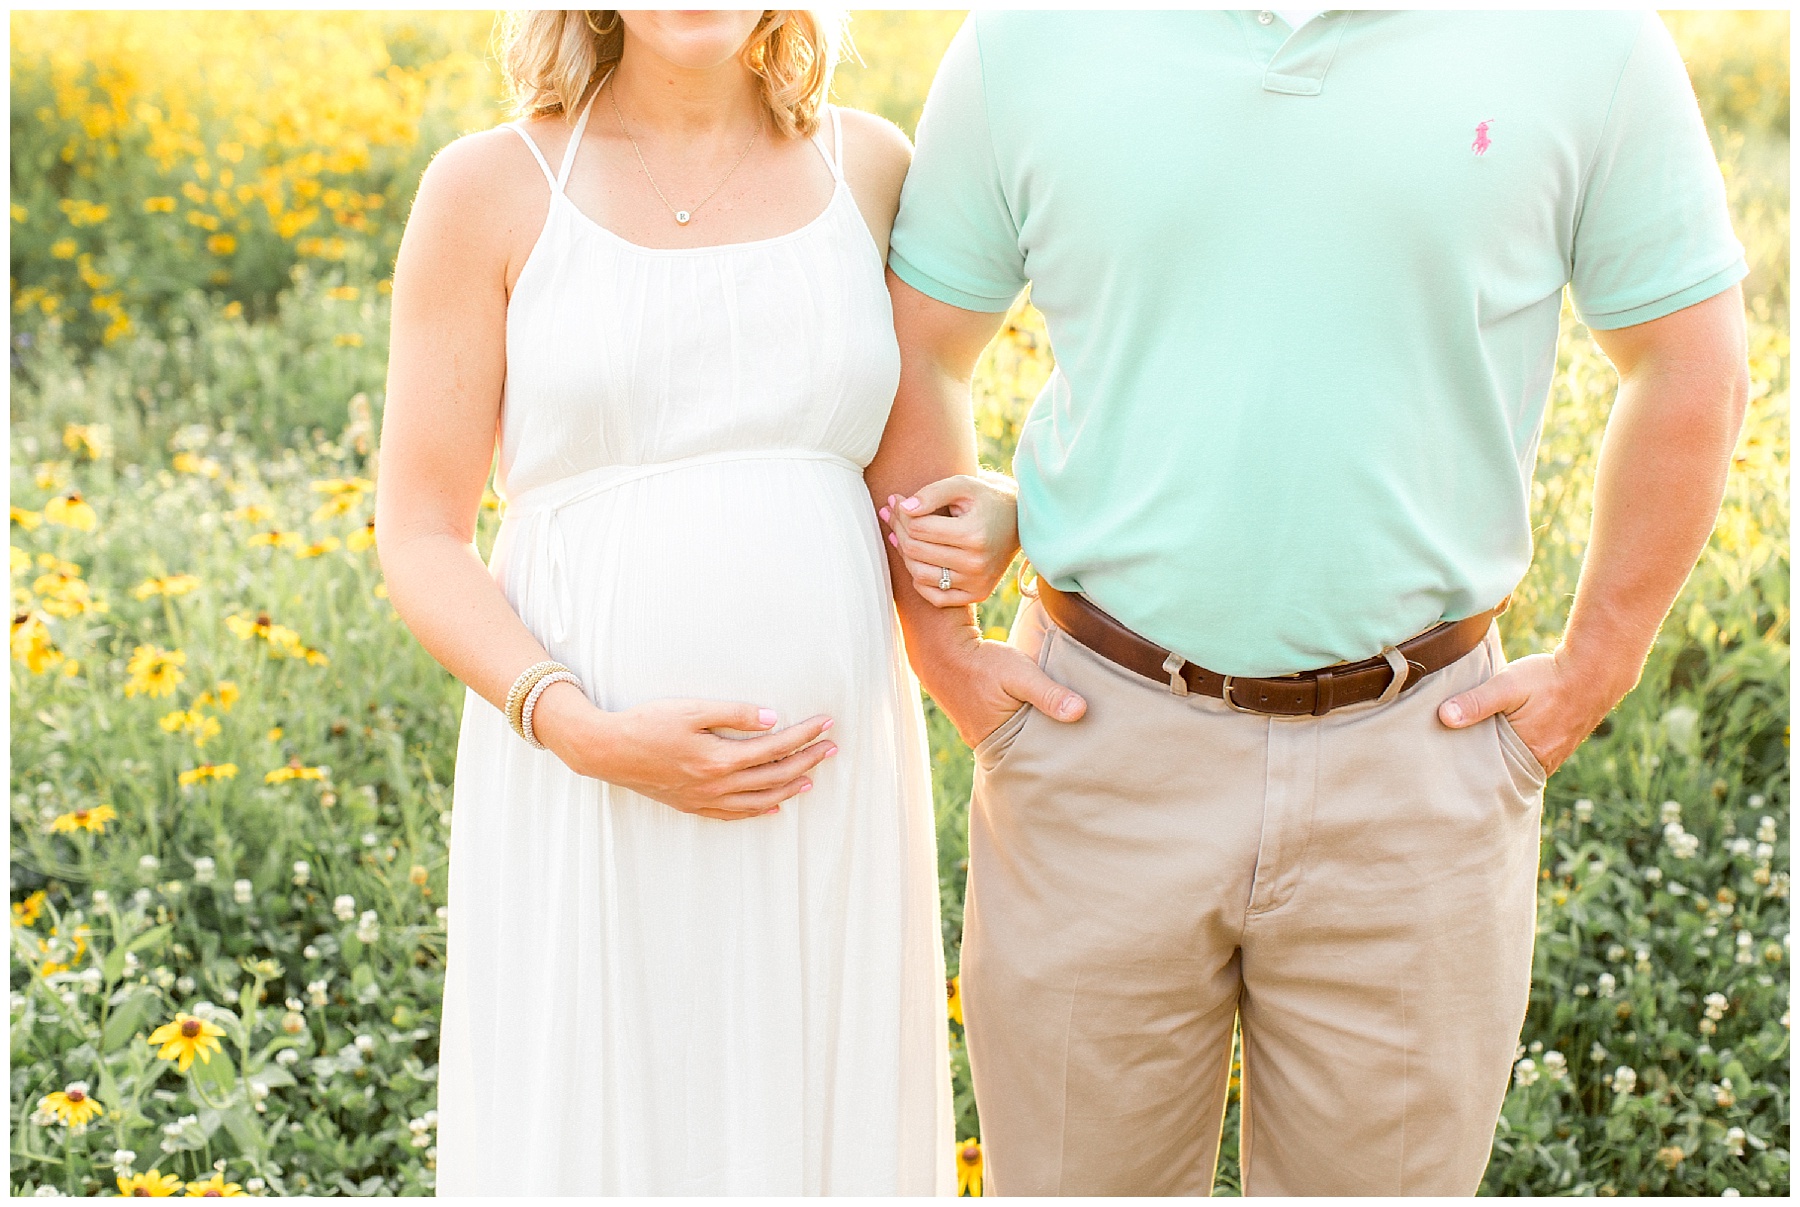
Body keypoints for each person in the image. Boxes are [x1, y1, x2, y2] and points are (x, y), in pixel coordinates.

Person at [867, 9, 1750, 1195]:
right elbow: (919, 348)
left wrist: (1601, 661)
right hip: (1094, 753)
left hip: (1418, 774)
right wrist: (947, 653)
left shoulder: (1588, 39)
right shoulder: (1030, 35)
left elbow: (1692, 362)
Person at [374, 10, 960, 1194]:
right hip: (583, 776)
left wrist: (989, 542)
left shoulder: (874, 169)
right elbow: (421, 532)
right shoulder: (488, 188)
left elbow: (922, 489)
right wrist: (578, 729)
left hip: (826, 784)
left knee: (813, 1115)